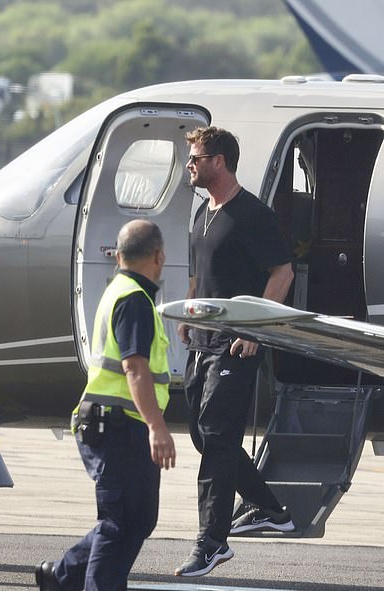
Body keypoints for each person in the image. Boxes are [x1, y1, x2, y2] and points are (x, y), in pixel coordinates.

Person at [174, 127, 296, 577]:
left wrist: (254, 329)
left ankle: (211, 543)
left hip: (236, 346)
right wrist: (188, 314)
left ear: (220, 161)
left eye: (196, 157)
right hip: (202, 342)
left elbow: (282, 273)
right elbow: (199, 275)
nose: (190, 164)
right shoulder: (202, 213)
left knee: (218, 440)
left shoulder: (252, 215)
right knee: (203, 435)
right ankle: (271, 510)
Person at [36, 219, 176, 591]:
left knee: (138, 519)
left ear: (119, 255)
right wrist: (156, 426)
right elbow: (134, 366)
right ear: (159, 257)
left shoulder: (124, 291)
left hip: (119, 424)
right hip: (118, 426)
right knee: (119, 523)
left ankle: (61, 576)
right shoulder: (133, 299)